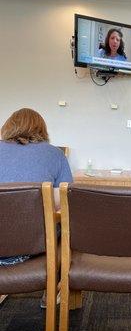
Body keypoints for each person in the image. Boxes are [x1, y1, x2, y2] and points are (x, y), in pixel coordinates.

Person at [0, 107, 73, 268]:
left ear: (8, 127)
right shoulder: (55, 154)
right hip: (35, 245)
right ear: (42, 129)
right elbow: (65, 199)